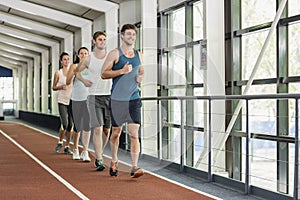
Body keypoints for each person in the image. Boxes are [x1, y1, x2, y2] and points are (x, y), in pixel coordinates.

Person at [101, 24, 144, 178]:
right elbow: (103, 74)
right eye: (128, 34)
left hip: (134, 99)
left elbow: (141, 70)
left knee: (134, 134)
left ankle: (134, 166)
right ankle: (114, 160)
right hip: (118, 100)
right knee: (116, 133)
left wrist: (140, 77)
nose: (131, 37)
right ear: (122, 36)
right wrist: (121, 71)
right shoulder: (114, 54)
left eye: (133, 34)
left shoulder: (139, 54)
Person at [75, 31, 112, 171]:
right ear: (94, 42)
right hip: (93, 97)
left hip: (108, 96)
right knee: (97, 129)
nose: (102, 42)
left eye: (104, 39)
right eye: (100, 39)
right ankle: (100, 159)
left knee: (106, 130)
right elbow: (77, 72)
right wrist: (84, 80)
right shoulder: (88, 59)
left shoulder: (110, 57)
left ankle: (98, 154)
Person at [66, 47, 91, 161]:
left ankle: (85, 151)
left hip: (88, 100)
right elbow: (67, 81)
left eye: (85, 53)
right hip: (76, 100)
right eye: (81, 53)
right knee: (77, 127)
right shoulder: (74, 66)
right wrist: (75, 73)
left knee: (87, 126)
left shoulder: (91, 68)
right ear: (78, 55)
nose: (83, 55)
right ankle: (75, 148)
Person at [52, 52, 74, 155]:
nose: (66, 61)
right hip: (62, 101)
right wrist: (61, 87)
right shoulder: (58, 73)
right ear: (61, 61)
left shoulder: (73, 71)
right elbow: (53, 87)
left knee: (70, 125)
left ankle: (67, 146)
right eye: (64, 59)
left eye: (68, 59)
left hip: (72, 101)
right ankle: (60, 142)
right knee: (64, 123)